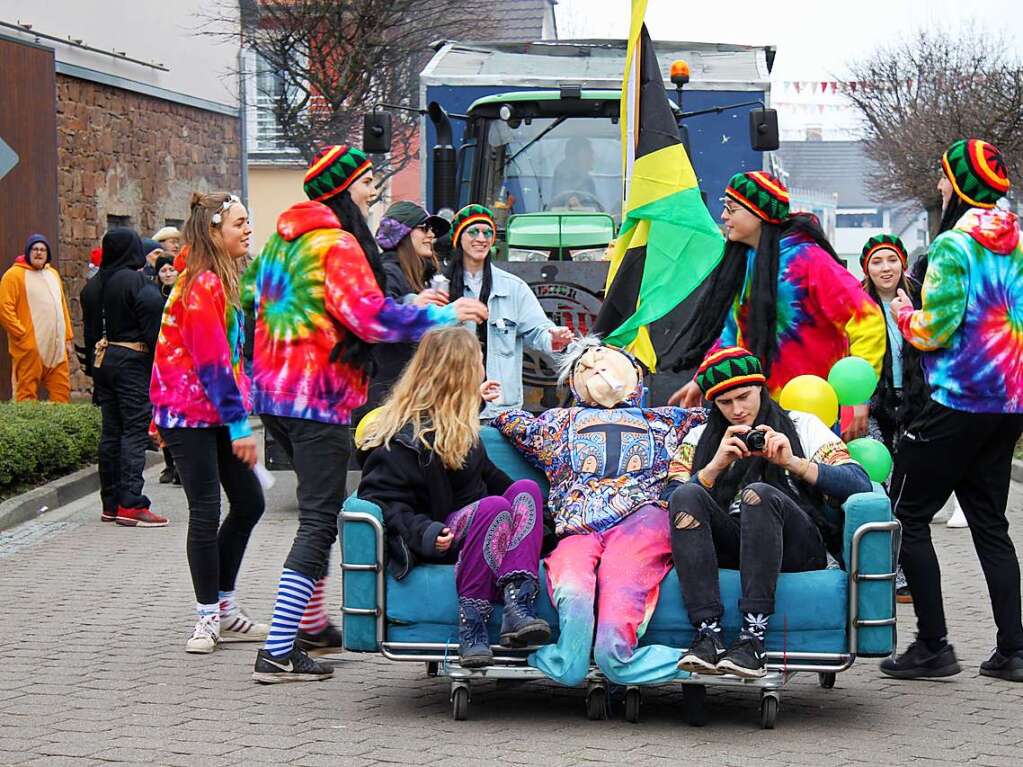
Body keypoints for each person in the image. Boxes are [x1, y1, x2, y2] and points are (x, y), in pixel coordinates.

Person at [246, 145, 488, 683]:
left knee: (319, 511)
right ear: (341, 191)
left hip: (275, 397)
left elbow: (250, 307)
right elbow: (370, 318)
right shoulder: (337, 244)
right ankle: (277, 648)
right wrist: (442, 314)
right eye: (365, 185)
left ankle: (309, 626)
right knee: (318, 518)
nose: (372, 194)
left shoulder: (279, 245)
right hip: (319, 397)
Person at [882, 139, 1023, 682]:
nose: (939, 186)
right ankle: (1013, 650)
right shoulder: (1017, 240)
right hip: (1009, 402)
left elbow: (935, 330)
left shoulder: (952, 247)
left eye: (944, 177)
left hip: (957, 399)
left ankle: (934, 645)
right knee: (991, 524)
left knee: (907, 515)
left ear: (961, 185)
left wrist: (903, 313)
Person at [494, 338, 706, 687]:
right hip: (578, 530)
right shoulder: (555, 424)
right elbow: (508, 420)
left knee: (613, 646)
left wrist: (702, 381)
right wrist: (491, 401)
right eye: (585, 365)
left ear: (636, 373)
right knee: (573, 595)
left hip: (641, 523)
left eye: (605, 359)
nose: (595, 365)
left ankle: (704, 661)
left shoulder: (670, 421)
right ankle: (567, 659)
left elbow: (734, 407)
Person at [665, 346, 872, 678]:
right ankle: (708, 635)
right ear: (714, 405)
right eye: (725, 402)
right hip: (732, 543)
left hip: (795, 542)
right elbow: (672, 500)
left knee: (758, 495)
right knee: (690, 493)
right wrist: (714, 467)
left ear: (761, 388)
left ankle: (753, 639)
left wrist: (793, 463)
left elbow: (858, 483)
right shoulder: (699, 438)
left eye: (745, 397)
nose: (738, 410)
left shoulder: (802, 424)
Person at [358, 327, 550, 668]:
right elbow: (383, 500)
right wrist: (427, 534)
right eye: (478, 363)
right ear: (460, 374)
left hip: (490, 528)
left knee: (525, 490)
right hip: (445, 536)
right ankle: (472, 626)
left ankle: (519, 606)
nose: (483, 370)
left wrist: (545, 523)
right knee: (494, 507)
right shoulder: (402, 437)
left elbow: (492, 478)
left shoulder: (460, 427)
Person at [667, 172, 886, 441]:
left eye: (731, 209)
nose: (724, 216)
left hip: (816, 416)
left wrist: (857, 398)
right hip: (764, 411)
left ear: (758, 214)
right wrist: (703, 377)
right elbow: (731, 335)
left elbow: (868, 319)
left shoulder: (808, 259)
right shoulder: (748, 262)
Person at [151, 192, 268, 654]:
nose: (247, 230)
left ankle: (223, 605)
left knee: (249, 502)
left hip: (216, 409)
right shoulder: (201, 283)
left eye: (247, 222)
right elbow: (212, 361)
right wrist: (240, 426)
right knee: (205, 508)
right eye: (239, 223)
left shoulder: (224, 278)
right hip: (187, 412)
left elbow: (233, 358)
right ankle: (207, 617)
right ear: (214, 230)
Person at [443, 204, 573, 419]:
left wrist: (554, 338)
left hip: (500, 411)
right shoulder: (442, 286)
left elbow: (538, 330)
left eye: (488, 232)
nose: (481, 238)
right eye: (473, 232)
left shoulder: (513, 287)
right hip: (449, 407)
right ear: (458, 238)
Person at [80, 229, 167, 526]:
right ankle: (131, 503)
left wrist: (93, 370)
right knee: (134, 429)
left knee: (111, 431)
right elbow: (154, 326)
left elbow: (90, 332)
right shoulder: (137, 282)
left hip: (102, 360)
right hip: (132, 360)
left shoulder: (92, 287)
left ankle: (110, 502)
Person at [368, 200, 451, 406]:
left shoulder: (422, 275)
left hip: (408, 392)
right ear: (401, 233)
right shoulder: (385, 272)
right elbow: (378, 319)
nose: (431, 235)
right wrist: (412, 303)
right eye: (424, 228)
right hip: (385, 397)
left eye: (432, 230)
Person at [0, 234, 74, 403]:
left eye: (42, 250)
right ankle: (26, 428)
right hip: (30, 347)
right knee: (26, 393)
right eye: (35, 249)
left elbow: (62, 307)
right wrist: (22, 335)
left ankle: (61, 428)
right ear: (28, 252)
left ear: (48, 254)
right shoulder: (14, 275)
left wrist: (68, 339)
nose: (39, 253)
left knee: (62, 393)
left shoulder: (53, 274)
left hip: (57, 347)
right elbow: (4, 308)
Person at [152, 254, 180, 484]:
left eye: (172, 269)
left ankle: (179, 466)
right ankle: (169, 464)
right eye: (164, 270)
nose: (168, 273)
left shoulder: (182, 293)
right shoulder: (153, 297)